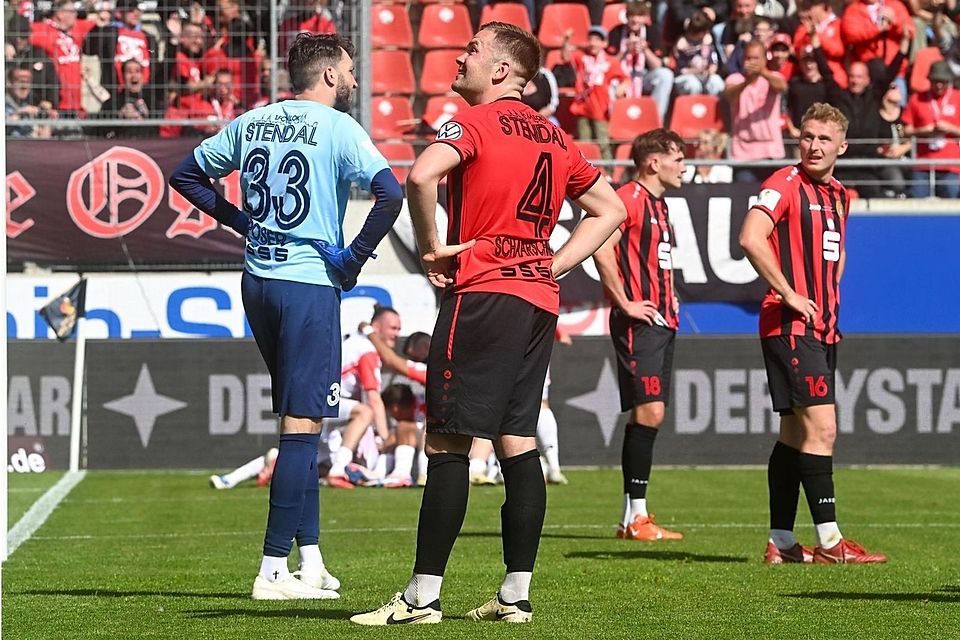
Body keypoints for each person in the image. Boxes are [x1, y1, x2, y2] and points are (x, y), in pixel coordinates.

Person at [350, 21, 626, 626]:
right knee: (517, 440)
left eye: (472, 50)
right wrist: (554, 263)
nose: (460, 56)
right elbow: (611, 208)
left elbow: (420, 175)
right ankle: (515, 596)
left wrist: (431, 248)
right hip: (537, 299)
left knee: (448, 442)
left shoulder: (472, 122)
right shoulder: (556, 135)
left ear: (501, 70)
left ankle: (421, 598)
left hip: (483, 293)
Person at [169, 32, 403, 600]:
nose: (354, 79)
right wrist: (352, 260)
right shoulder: (339, 128)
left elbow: (185, 176)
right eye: (349, 69)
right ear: (329, 75)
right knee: (301, 425)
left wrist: (240, 222)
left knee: (306, 420)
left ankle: (311, 559)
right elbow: (391, 195)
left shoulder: (252, 122)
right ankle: (273, 570)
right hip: (308, 286)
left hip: (259, 282)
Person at [738, 102, 887, 565]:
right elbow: (750, 237)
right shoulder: (783, 184)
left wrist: (827, 300)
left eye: (824, 139)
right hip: (789, 324)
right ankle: (830, 543)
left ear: (843, 146)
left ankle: (781, 542)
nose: (814, 146)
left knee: (793, 433)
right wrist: (788, 292)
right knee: (823, 429)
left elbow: (836, 255)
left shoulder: (841, 195)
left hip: (822, 327)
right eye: (807, 136)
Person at [593, 128, 686, 543]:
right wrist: (625, 302)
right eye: (677, 158)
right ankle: (636, 517)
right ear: (654, 161)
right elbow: (600, 248)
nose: (683, 166)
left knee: (651, 413)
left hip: (662, 321)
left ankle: (631, 516)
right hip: (640, 322)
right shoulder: (628, 198)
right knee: (649, 412)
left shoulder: (659, 205)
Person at [724, 40, 787, 183]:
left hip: (771, 153)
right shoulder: (735, 79)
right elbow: (729, 95)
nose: (752, 62)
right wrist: (747, 81)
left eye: (756, 58)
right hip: (743, 154)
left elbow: (782, 86)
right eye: (748, 58)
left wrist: (762, 72)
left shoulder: (774, 77)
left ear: (764, 60)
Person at [565, 25, 628, 160]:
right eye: (591, 39)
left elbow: (625, 78)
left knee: (603, 141)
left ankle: (608, 170)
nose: (593, 43)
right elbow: (566, 57)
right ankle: (585, 169)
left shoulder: (611, 61)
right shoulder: (582, 57)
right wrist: (566, 41)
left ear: (605, 43)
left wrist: (622, 87)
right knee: (584, 143)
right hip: (583, 106)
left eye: (597, 40)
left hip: (601, 108)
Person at [902, 61, 960, 198]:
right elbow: (904, 131)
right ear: (929, 80)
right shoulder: (916, 99)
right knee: (917, 199)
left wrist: (950, 128)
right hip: (922, 164)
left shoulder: (958, 98)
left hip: (950, 165)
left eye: (943, 82)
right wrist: (924, 130)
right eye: (935, 81)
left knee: (951, 199)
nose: (939, 85)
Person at [673, 10, 724, 96]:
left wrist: (712, 68)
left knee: (716, 82)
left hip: (704, 75)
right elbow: (681, 70)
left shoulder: (708, 42)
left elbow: (713, 62)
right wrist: (697, 71)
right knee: (693, 85)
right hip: (686, 77)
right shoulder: (682, 44)